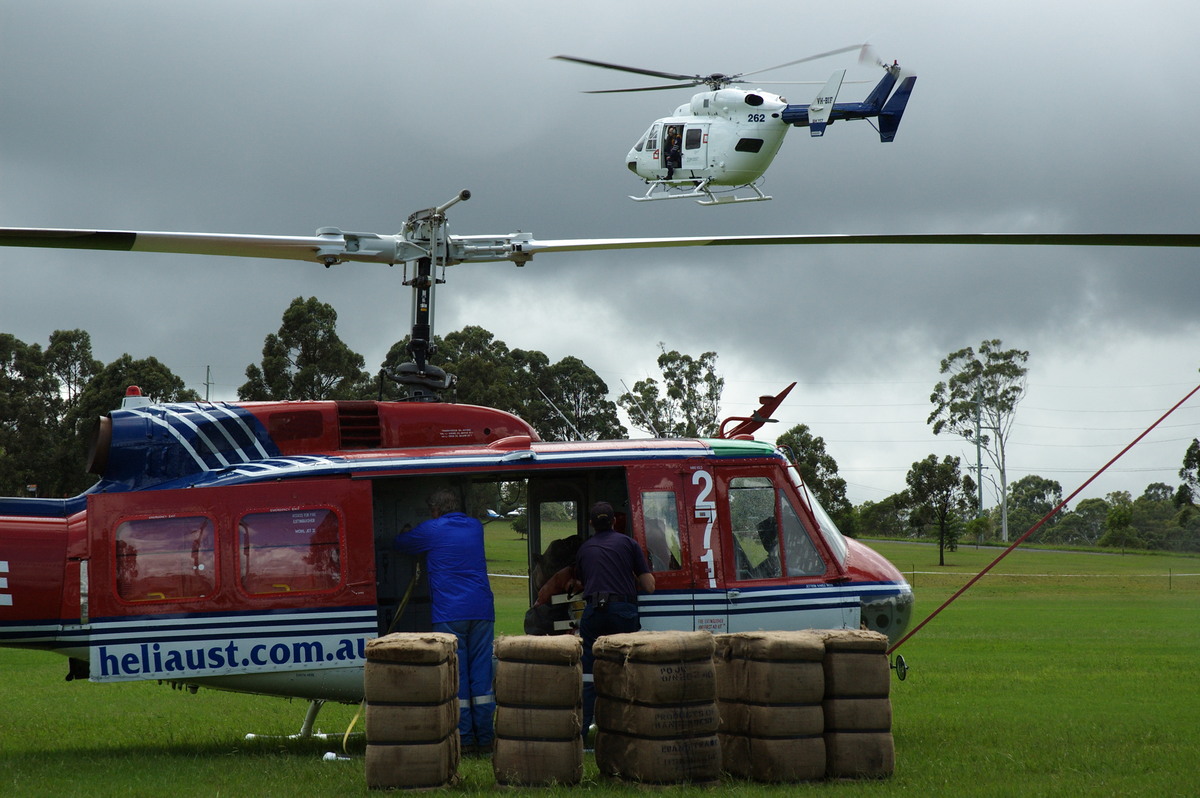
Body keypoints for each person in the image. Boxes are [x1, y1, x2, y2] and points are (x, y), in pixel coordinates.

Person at [394, 488, 495, 754]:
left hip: (450, 614)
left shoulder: (431, 529)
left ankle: (466, 739)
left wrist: (406, 531)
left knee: (457, 676)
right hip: (482, 610)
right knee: (482, 677)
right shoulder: (475, 527)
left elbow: (400, 544)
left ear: (435, 509)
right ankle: (486, 738)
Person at [574, 500, 655, 739]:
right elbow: (649, 587)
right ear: (614, 521)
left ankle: (582, 732)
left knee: (588, 671)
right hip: (622, 611)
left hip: (593, 613)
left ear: (591, 524)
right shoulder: (629, 544)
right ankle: (627, 729)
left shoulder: (584, 549)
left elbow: (581, 582)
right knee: (626, 668)